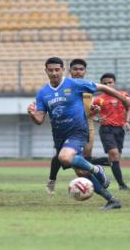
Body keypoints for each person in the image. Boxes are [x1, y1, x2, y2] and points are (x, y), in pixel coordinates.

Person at [28, 57, 130, 210]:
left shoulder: (74, 84)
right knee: (81, 173)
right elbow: (39, 119)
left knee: (64, 157)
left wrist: (123, 100)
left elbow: (103, 88)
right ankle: (112, 200)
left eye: (57, 70)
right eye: (50, 70)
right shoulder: (43, 93)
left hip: (77, 131)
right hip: (59, 135)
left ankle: (96, 169)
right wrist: (31, 113)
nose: (54, 73)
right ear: (46, 71)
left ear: (63, 70)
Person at [46, 58, 98, 195]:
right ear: (69, 71)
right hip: (67, 127)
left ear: (85, 71)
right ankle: (53, 179)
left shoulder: (88, 87)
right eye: (75, 69)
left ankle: (85, 186)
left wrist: (94, 111)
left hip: (87, 124)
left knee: (85, 158)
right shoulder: (66, 86)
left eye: (81, 69)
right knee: (64, 156)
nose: (78, 72)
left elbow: (87, 109)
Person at [93, 73, 130, 190]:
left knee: (115, 159)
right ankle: (122, 185)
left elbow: (128, 108)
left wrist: (127, 121)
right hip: (106, 129)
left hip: (120, 129)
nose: (108, 85)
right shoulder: (99, 99)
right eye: (104, 83)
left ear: (114, 83)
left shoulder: (123, 95)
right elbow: (89, 115)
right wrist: (97, 119)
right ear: (101, 85)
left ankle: (91, 162)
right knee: (114, 155)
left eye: (110, 82)